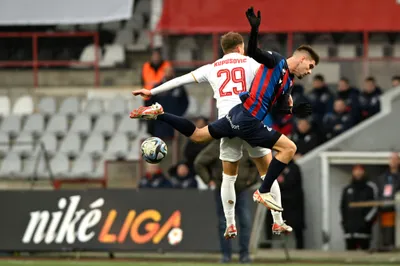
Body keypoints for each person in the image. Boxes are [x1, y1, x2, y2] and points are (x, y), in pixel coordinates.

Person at [130, 7, 317, 217]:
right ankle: (275, 217)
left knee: (202, 141)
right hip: (249, 119)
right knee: (272, 162)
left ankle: (160, 113)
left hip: (228, 120)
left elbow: (180, 79)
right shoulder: (251, 62)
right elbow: (269, 84)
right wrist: (288, 103)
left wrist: (151, 90)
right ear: (240, 48)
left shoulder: (212, 67)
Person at [194, 140, 257, 263]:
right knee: (225, 223)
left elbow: (256, 162)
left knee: (245, 222)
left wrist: (251, 180)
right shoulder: (217, 145)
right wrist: (209, 180)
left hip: (240, 189)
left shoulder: (244, 144)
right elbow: (199, 163)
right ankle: (226, 255)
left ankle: (243, 255)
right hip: (224, 190)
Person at [340, 164, 378, 251]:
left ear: (364, 172)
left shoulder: (370, 188)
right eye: (356, 170)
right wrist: (345, 223)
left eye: (360, 170)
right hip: (349, 231)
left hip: (364, 231)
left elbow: (375, 206)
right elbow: (342, 207)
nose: (358, 173)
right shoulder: (347, 189)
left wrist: (366, 221)